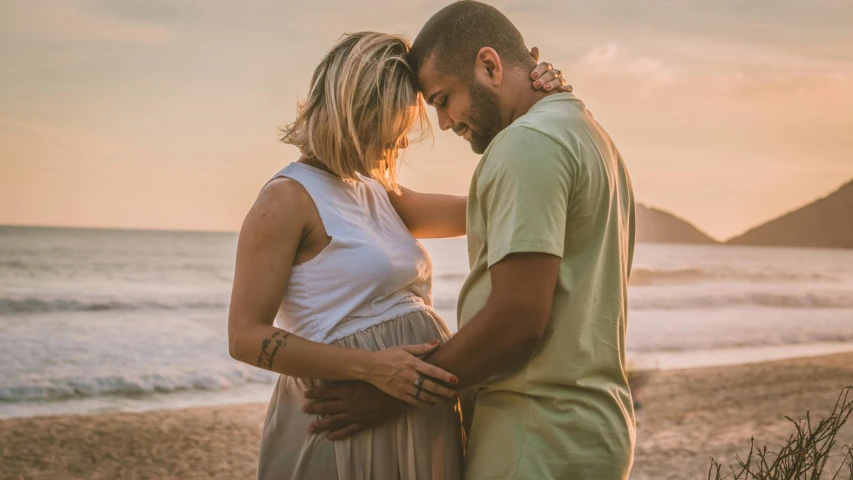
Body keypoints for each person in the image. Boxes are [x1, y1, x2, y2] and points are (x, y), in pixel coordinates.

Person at [303, 2, 637, 479]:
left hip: (534, 434)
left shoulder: (528, 144)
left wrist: (391, 392)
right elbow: (396, 206)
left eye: (443, 99)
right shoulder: (589, 136)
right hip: (585, 428)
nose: (443, 123)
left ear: (489, 65)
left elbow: (516, 322)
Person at [226, 30, 568, 480]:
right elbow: (245, 337)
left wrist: (532, 100)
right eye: (397, 126)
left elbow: (491, 205)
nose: (403, 144)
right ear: (359, 112)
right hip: (348, 415)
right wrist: (372, 369)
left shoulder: (378, 192)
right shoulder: (286, 200)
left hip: (407, 408)